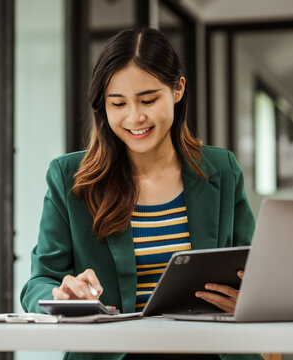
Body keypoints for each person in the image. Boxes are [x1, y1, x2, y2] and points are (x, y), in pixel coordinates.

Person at [21, 28, 260, 360]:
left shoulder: (222, 169)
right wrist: (61, 295)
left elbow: (254, 270)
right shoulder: (70, 179)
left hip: (210, 352)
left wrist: (249, 298)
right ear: (103, 106)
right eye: (118, 103)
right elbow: (39, 283)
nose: (135, 117)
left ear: (178, 90)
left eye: (148, 100)